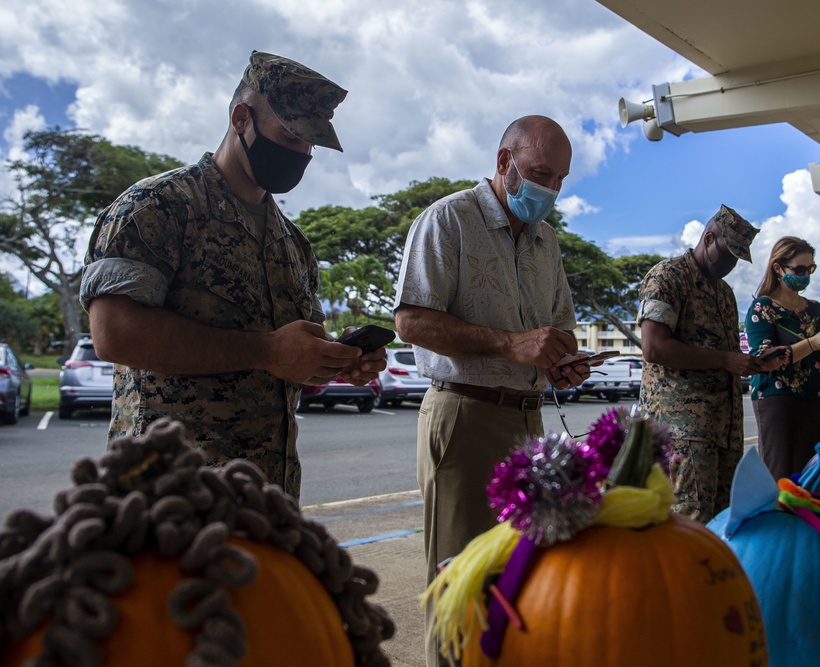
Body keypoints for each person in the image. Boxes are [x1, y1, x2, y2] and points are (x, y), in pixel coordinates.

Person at [80, 51, 386, 502]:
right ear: (241, 117)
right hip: (167, 498)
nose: (301, 152)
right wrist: (266, 352)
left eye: (310, 143)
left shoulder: (293, 244)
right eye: (289, 134)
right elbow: (114, 335)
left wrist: (336, 361)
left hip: (267, 496)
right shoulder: (157, 207)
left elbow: (291, 364)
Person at [393, 115, 589, 667]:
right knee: (460, 583)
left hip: (528, 422)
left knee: (517, 579)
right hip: (464, 416)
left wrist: (562, 361)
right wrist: (512, 346)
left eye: (560, 180)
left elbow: (559, 328)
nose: (549, 189)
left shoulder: (547, 241)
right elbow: (411, 322)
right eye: (540, 173)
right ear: (504, 162)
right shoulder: (449, 221)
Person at [637, 205, 785, 523]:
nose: (732, 263)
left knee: (723, 524)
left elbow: (726, 356)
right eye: (729, 252)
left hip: (723, 432)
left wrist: (754, 363)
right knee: (688, 523)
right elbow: (654, 347)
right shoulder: (669, 276)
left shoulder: (724, 292)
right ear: (708, 239)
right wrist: (725, 360)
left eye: (738, 257)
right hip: (683, 434)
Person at [745, 236, 820, 479]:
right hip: (781, 404)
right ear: (778, 268)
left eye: (810, 268)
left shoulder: (816, 310)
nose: (806, 275)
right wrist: (813, 343)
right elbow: (763, 359)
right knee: (783, 477)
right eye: (800, 269)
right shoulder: (763, 308)